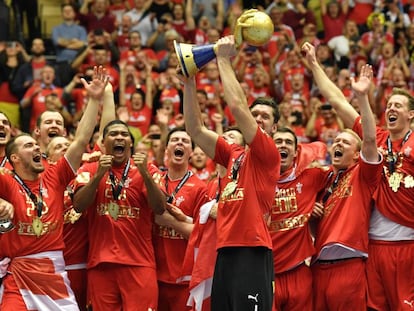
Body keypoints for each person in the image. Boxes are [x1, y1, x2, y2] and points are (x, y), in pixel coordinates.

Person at [304, 41, 414, 310]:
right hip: (374, 247)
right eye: (389, 104)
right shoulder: (374, 138)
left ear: (411, 114)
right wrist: (315, 66)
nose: (391, 108)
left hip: (408, 243)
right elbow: (338, 102)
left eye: (398, 105)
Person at [181, 35, 280, 311]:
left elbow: (238, 107)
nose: (257, 118)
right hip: (224, 250)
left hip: (252, 250)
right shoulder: (235, 154)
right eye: (255, 113)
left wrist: (222, 58)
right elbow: (195, 130)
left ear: (272, 129)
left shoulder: (267, 153)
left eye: (264, 117)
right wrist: (189, 82)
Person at [0, 66, 106, 310]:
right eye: (28, 146)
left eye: (36, 146)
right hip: (19, 274)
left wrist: (93, 99)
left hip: (53, 272)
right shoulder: (6, 180)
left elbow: (80, 139)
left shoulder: (55, 175)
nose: (37, 148)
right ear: (14, 158)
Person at [72, 118, 167, 311]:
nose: (119, 138)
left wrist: (146, 176)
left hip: (139, 263)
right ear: (103, 142)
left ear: (130, 143)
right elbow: (79, 206)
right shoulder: (90, 168)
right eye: (113, 134)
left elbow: (159, 208)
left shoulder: (148, 169)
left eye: (124, 134)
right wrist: (99, 175)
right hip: (100, 264)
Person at [271, 128, 330, 311]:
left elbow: (346, 173)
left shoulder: (311, 177)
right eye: (278, 141)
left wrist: (314, 205)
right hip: (267, 274)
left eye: (288, 142)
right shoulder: (255, 180)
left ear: (296, 151)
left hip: (298, 272)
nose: (283, 145)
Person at [151, 126, 208, 311]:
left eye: (185, 141)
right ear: (166, 149)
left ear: (191, 152)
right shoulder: (154, 182)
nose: (180, 143)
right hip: (153, 274)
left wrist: (169, 221)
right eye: (175, 140)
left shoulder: (200, 188)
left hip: (184, 278)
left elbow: (201, 235)